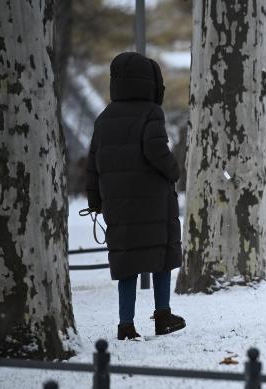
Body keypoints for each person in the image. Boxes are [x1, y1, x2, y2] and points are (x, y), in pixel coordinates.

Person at [86, 52, 186, 340]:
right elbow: (156, 150)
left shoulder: (104, 118)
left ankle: (126, 325)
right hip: (153, 203)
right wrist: (174, 170)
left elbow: (93, 164)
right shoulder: (151, 112)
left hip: (118, 206)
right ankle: (163, 316)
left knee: (127, 263)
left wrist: (95, 201)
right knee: (161, 257)